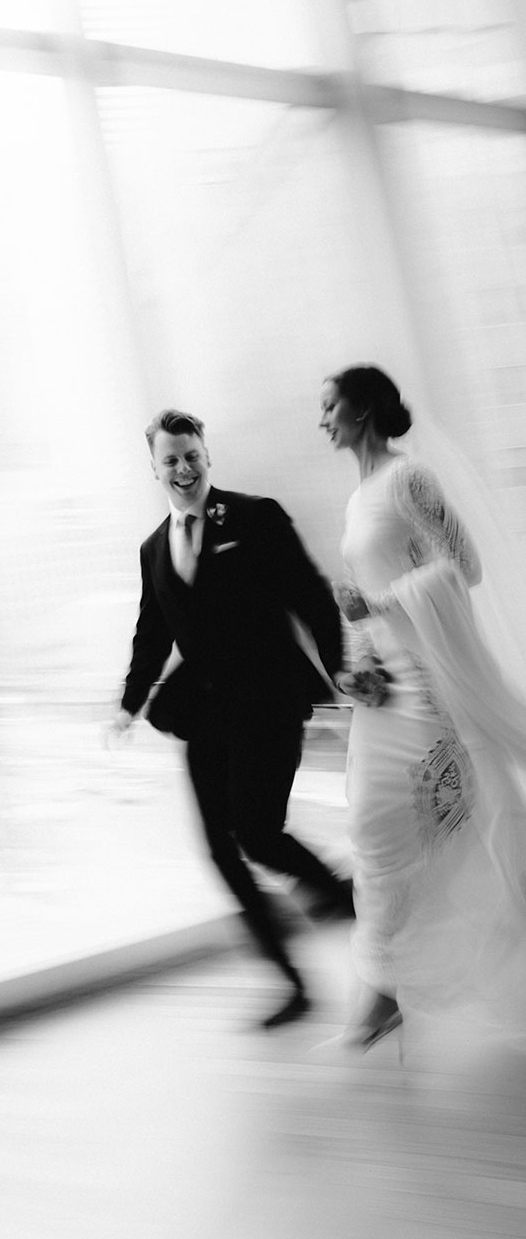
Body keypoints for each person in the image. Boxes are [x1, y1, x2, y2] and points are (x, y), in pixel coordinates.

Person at [110, 408, 353, 1030]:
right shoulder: (153, 549)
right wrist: (129, 703)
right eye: (171, 459)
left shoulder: (255, 516)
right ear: (155, 469)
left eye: (192, 455)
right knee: (221, 852)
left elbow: (310, 592)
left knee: (259, 833)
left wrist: (339, 667)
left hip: (269, 700)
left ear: (206, 457)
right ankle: (293, 984)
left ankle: (352, 902)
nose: (184, 468)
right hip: (204, 714)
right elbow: (151, 633)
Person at [320, 363, 526, 1056]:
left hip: (435, 686)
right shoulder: (355, 499)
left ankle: (399, 985)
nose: (322, 421)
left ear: (362, 412)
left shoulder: (409, 481)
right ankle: (383, 986)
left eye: (329, 407)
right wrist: (362, 664)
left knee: (448, 825)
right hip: (388, 687)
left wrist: (381, 604)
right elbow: (362, 593)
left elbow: (462, 566)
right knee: (370, 824)